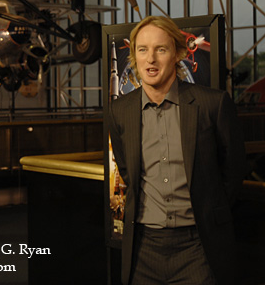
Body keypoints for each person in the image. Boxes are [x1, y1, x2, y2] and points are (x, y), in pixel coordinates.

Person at [105, 16, 246, 285]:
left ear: (178, 54)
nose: (151, 59)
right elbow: (127, 171)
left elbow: (233, 170)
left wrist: (208, 210)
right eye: (142, 50)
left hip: (198, 247)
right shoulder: (119, 111)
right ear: (134, 56)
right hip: (143, 248)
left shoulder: (212, 104)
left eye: (161, 49)